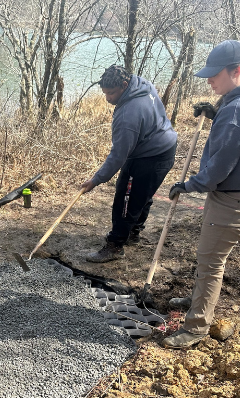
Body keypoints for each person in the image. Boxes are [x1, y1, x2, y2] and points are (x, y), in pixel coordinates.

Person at [162, 40, 240, 349]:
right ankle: (199, 299)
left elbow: (220, 166)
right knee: (209, 258)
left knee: (211, 262)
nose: (209, 80)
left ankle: (197, 326)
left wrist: (189, 185)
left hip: (235, 198)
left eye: (215, 74)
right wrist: (215, 114)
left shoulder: (238, 107)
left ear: (237, 70)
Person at [80, 65, 178, 262]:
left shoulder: (128, 116)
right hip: (165, 147)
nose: (108, 98)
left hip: (149, 156)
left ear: (124, 85)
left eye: (112, 93)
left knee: (126, 198)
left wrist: (96, 180)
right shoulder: (143, 84)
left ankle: (116, 246)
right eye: (105, 93)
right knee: (142, 194)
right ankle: (133, 232)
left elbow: (118, 155)